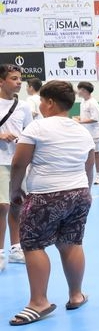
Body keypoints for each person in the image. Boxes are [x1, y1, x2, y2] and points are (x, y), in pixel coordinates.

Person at [8, 80, 94, 325]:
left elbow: (18, 163)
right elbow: (89, 166)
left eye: (43, 101)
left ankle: (39, 302)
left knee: (33, 244)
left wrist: (15, 190)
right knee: (71, 242)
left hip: (46, 195)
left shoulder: (37, 127)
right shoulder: (82, 131)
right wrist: (86, 193)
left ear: (50, 102)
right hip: (79, 193)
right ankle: (76, 295)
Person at [0, 64, 33, 270]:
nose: (19, 82)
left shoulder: (24, 107)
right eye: (14, 78)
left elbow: (29, 131)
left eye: (20, 78)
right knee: (2, 206)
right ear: (1, 81)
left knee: (17, 205)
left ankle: (15, 248)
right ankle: (0, 252)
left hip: (18, 163)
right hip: (0, 162)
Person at [74, 81, 99, 185]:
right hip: (85, 133)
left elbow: (95, 118)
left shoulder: (93, 103)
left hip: (94, 133)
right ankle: (85, 175)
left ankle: (98, 176)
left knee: (96, 154)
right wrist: (79, 118)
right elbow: (86, 116)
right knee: (85, 154)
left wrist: (80, 121)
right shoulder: (83, 101)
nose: (77, 91)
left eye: (79, 89)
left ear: (84, 91)